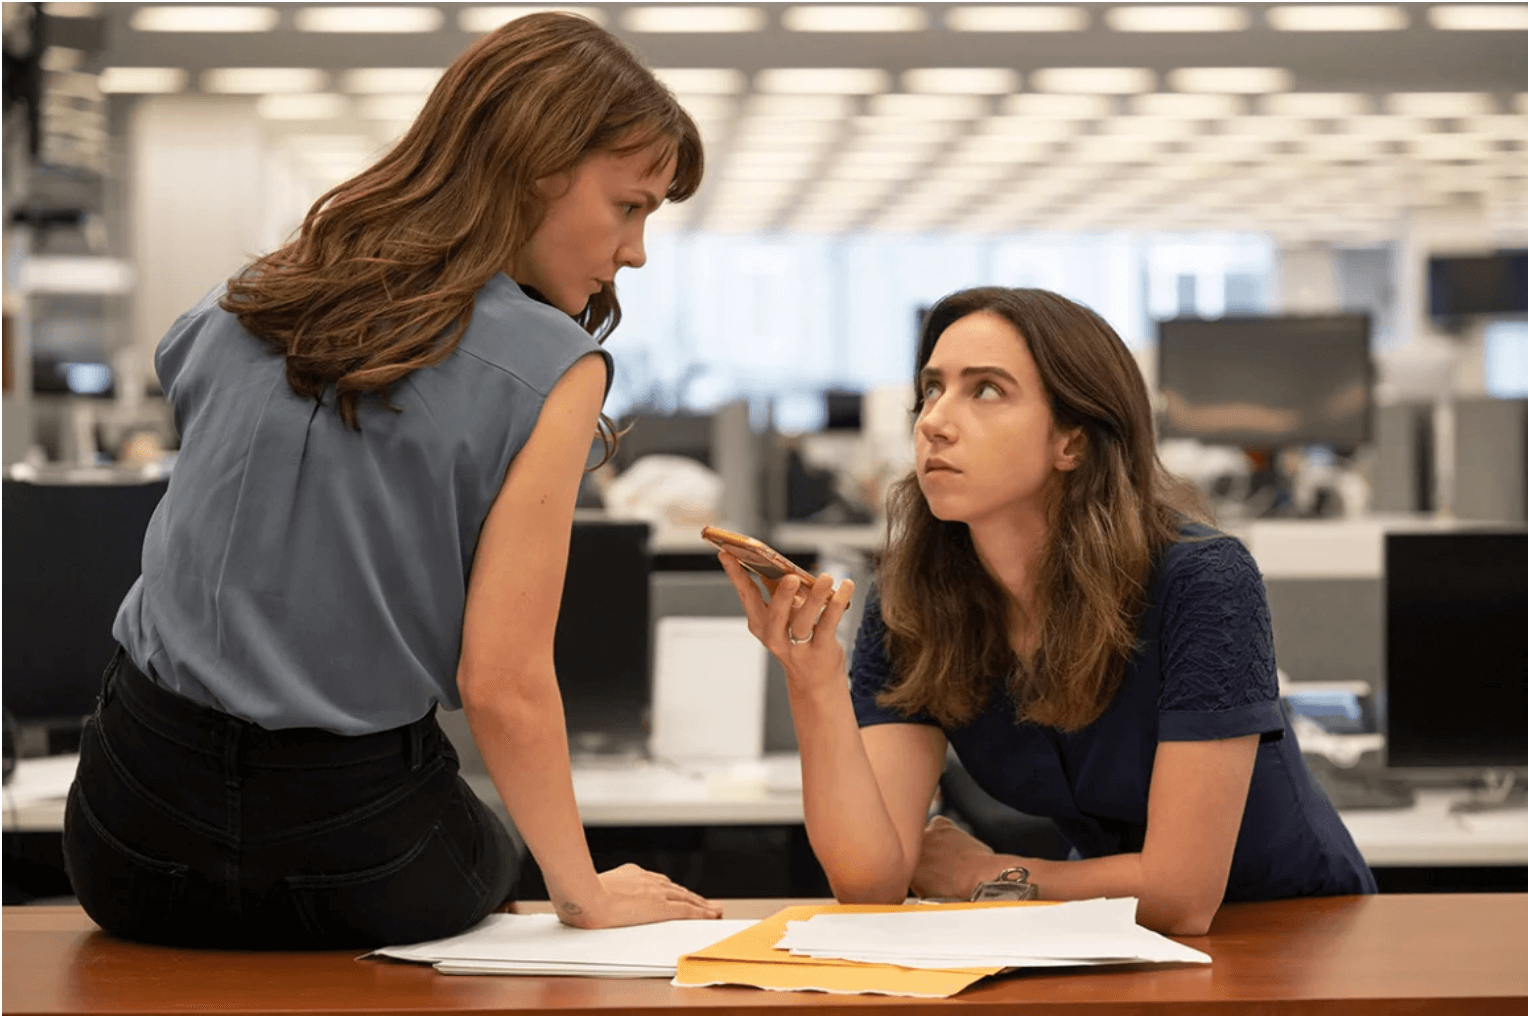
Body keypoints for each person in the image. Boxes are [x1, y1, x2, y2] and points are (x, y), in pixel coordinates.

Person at [63, 12, 722, 949]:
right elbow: (502, 683)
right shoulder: (553, 362)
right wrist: (584, 895)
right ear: (539, 166)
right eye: (631, 205)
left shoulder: (244, 298)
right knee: (487, 854)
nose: (636, 250)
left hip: (126, 835)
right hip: (352, 845)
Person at [718, 287, 1375, 936]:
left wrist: (988, 876)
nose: (933, 421)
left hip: (1287, 929)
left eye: (986, 391)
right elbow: (871, 880)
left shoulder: (1201, 581)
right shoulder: (918, 596)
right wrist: (814, 679)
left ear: (1073, 441)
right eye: (932, 389)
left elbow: (1181, 896)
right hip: (1103, 934)